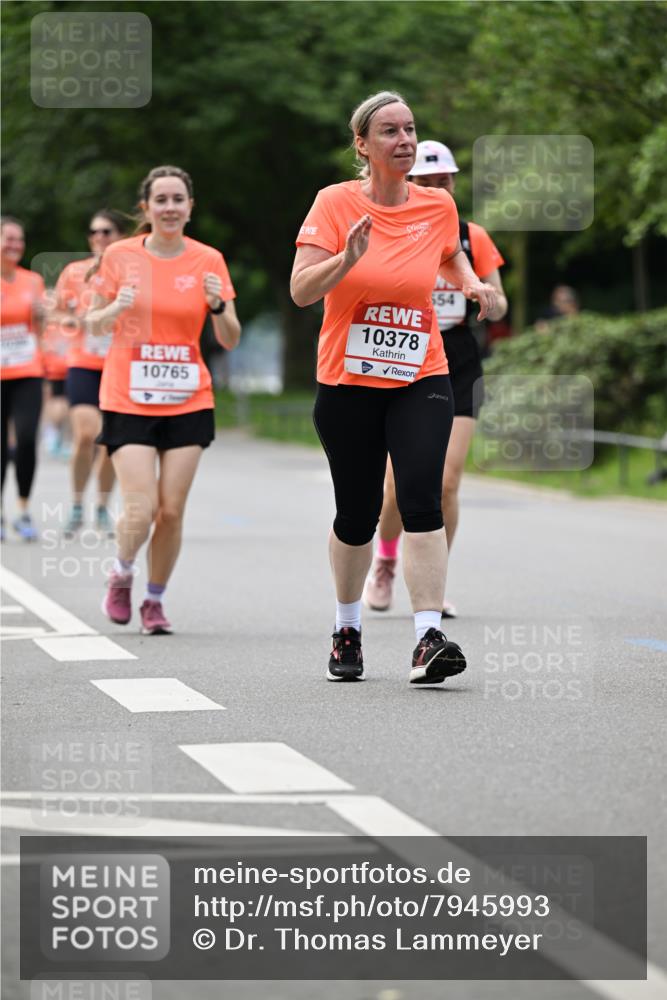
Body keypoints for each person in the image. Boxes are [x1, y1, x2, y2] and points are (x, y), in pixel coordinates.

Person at [291, 93, 497, 684]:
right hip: (348, 379)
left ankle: (427, 637)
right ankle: (346, 628)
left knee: (421, 498)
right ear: (362, 144)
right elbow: (302, 290)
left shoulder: (437, 205)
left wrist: (472, 282)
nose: (404, 140)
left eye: (410, 130)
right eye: (390, 132)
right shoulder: (333, 203)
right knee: (356, 513)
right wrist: (346, 260)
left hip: (420, 373)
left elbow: (450, 256)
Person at [86, 166, 240, 634]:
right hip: (127, 395)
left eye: (178, 199)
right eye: (161, 200)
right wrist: (117, 306)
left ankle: (154, 600)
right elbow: (92, 324)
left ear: (190, 208)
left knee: (172, 509)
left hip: (187, 397)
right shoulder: (119, 255)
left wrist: (217, 307)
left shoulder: (209, 260)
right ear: (146, 208)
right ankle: (122, 572)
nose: (170, 207)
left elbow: (230, 337)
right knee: (143, 505)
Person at [363, 140, 508, 618]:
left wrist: (486, 297)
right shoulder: (390, 227)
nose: (437, 188)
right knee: (395, 488)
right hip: (402, 350)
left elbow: (501, 302)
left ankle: (432, 581)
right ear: (409, 182)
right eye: (426, 181)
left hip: (458, 355)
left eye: (444, 180)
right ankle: (384, 562)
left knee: (446, 482)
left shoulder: (471, 236)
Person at [51, 210, 126, 536]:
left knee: (109, 442)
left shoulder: (133, 272)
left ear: (120, 236)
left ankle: (101, 508)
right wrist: (66, 320)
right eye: (94, 232)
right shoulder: (74, 272)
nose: (99, 237)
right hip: (83, 362)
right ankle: (78, 504)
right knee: (86, 434)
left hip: (118, 364)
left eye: (107, 231)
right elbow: (57, 310)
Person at [1, 216, 46, 541]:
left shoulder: (33, 281)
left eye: (20, 239)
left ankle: (23, 508)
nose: (15, 245)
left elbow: (39, 328)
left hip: (28, 370)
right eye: (9, 239)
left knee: (28, 437)